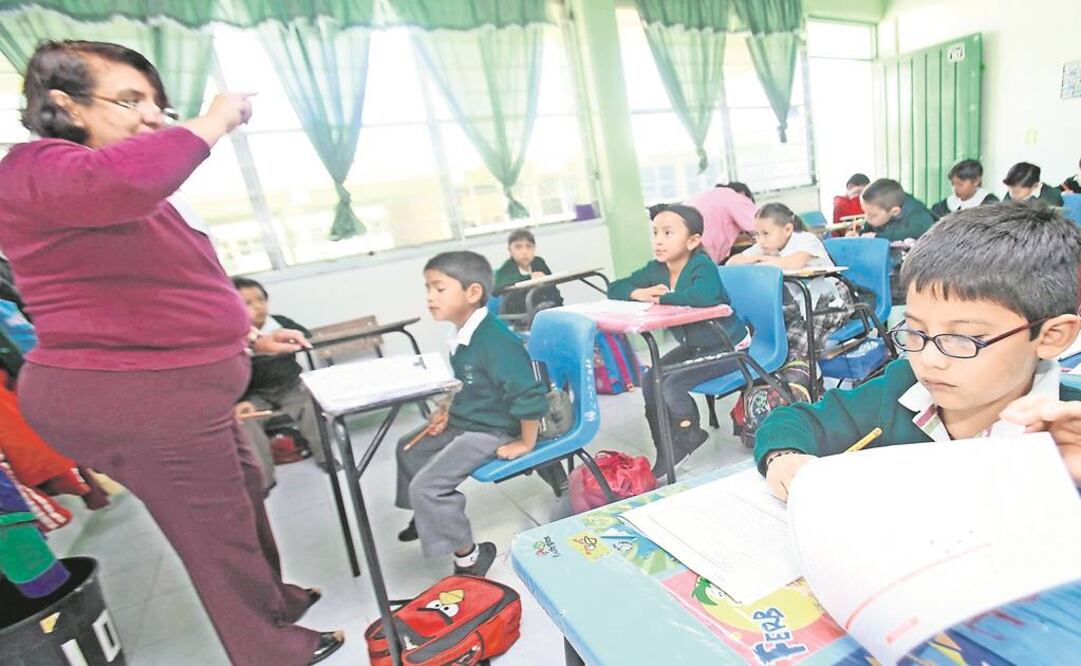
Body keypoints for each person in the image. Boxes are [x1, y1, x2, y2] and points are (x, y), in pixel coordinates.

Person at [0, 41, 342, 664]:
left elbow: (168, 294)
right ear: (64, 105)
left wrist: (246, 341)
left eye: (158, 103)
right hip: (132, 397)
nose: (153, 117)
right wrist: (212, 120)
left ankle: (276, 601)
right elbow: (128, 178)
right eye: (130, 101)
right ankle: (269, 648)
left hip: (176, 388)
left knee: (244, 489)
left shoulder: (106, 196)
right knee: (216, 533)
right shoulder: (36, 167)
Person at [755, 202, 1081, 502]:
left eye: (964, 338)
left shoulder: (1069, 428)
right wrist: (783, 456)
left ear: (1051, 336)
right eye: (916, 332)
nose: (929, 359)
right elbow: (795, 418)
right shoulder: (904, 387)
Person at [395, 251, 548, 577]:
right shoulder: (462, 333)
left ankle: (469, 557)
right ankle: (427, 517)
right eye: (427, 289)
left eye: (439, 289)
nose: (429, 298)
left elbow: (528, 393)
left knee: (427, 487)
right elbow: (467, 382)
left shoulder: (495, 340)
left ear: (473, 292)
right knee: (408, 449)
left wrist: (525, 441)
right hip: (468, 419)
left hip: (492, 429)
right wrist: (444, 410)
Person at [608, 204, 750, 475]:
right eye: (655, 233)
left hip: (728, 345)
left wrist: (661, 297)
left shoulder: (702, 265)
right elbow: (615, 288)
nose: (659, 240)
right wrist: (639, 292)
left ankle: (689, 433)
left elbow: (703, 296)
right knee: (650, 379)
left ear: (693, 240)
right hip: (695, 346)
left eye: (668, 233)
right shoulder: (657, 269)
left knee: (672, 384)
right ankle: (666, 447)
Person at [728, 203, 854, 360]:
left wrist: (760, 258)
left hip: (830, 301)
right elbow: (731, 263)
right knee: (771, 334)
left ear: (787, 229)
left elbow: (795, 263)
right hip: (799, 302)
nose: (760, 240)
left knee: (794, 344)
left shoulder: (806, 240)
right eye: (756, 234)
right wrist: (755, 256)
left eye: (765, 233)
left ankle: (802, 378)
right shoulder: (766, 246)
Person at [233, 277, 329, 470]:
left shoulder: (279, 323)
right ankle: (264, 476)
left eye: (261, 300)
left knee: (311, 408)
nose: (258, 307)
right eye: (248, 303)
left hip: (290, 386)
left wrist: (289, 339)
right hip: (255, 393)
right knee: (245, 422)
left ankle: (325, 458)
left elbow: (306, 336)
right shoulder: (234, 335)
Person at [492, 228, 563, 322]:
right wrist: (530, 279)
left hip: (544, 308)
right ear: (510, 251)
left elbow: (552, 285)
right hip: (519, 313)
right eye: (518, 247)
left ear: (534, 249)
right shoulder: (507, 267)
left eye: (529, 247)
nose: (524, 252)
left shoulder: (539, 263)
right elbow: (495, 289)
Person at [686, 181, 758, 264]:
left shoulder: (706, 195)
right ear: (744, 194)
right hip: (701, 250)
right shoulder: (735, 197)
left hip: (682, 249)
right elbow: (762, 225)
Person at [851, 178, 935, 242]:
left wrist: (877, 237)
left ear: (895, 211)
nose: (867, 218)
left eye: (873, 215)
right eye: (865, 212)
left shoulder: (919, 215)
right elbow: (868, 231)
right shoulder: (879, 210)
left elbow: (918, 233)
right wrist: (858, 235)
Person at [930, 159, 999, 219]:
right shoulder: (942, 207)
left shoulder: (991, 205)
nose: (955, 189)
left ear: (976, 181)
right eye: (953, 184)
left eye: (960, 185)